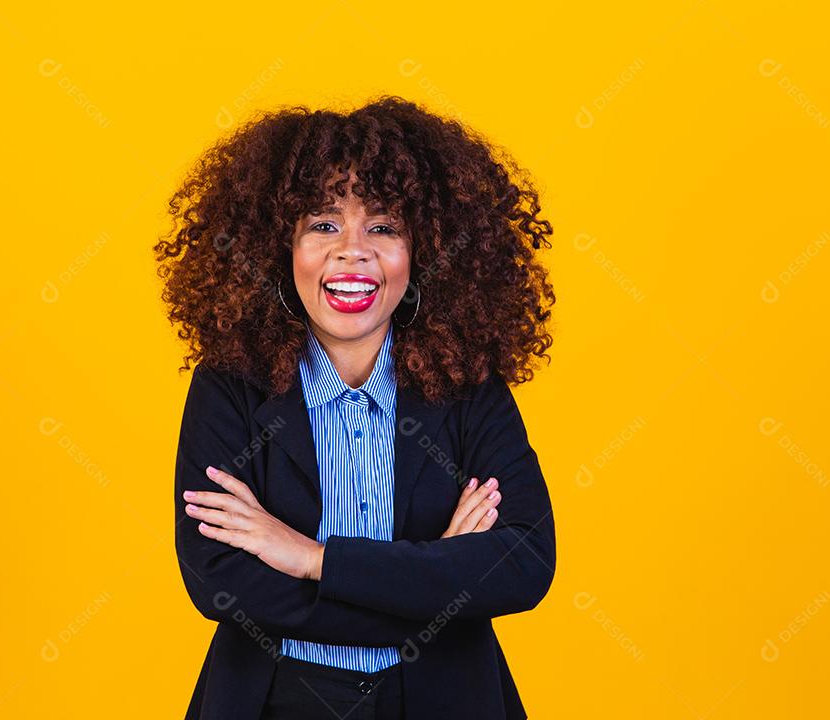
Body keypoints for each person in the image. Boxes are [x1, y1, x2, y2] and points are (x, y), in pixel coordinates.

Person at [154, 95, 557, 720]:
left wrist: (312, 559)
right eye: (323, 225)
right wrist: (432, 583)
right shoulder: (229, 386)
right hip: (275, 701)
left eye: (383, 227)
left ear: (423, 249)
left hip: (442, 700)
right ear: (280, 248)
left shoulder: (469, 387)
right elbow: (219, 582)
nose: (352, 251)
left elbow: (523, 563)